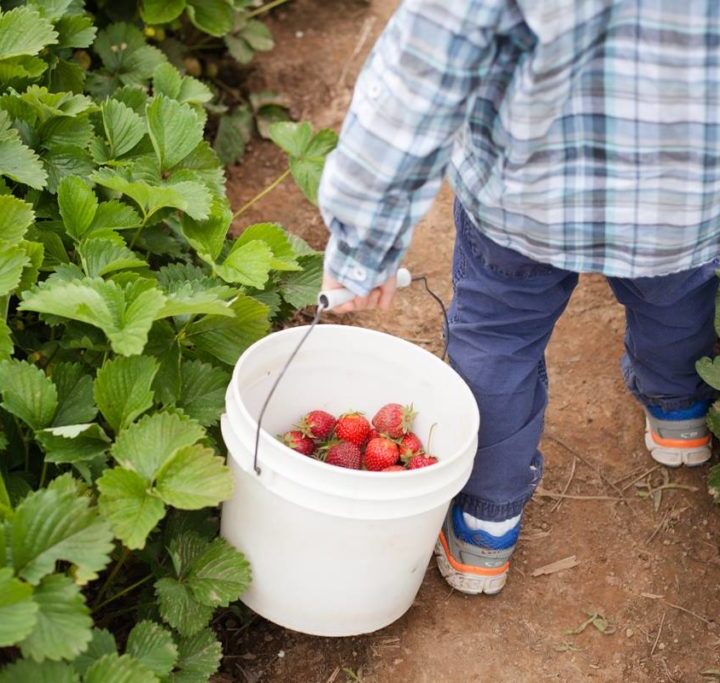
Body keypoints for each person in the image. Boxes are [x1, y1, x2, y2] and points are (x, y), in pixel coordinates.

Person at [317, 0, 720, 595]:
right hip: (683, 203)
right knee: (677, 300)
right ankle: (680, 414)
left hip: (524, 200)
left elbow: (421, 77)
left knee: (498, 339)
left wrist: (364, 248)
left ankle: (486, 525)